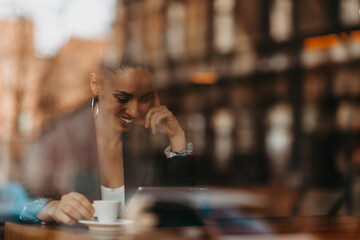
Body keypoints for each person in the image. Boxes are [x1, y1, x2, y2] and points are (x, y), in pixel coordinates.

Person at [19, 59, 195, 225]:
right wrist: (51, 207)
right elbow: (19, 202)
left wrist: (177, 138)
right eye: (122, 98)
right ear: (96, 85)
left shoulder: (146, 137)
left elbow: (181, 208)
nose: (134, 111)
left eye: (144, 99)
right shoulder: (63, 134)